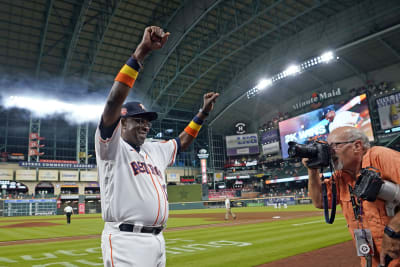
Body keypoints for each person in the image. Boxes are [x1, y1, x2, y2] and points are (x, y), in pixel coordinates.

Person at [95, 25, 219, 267]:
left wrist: (202, 113)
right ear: (122, 123)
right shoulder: (111, 148)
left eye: (148, 121)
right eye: (139, 121)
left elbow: (183, 141)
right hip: (125, 240)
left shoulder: (154, 149)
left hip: (157, 240)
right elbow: (113, 102)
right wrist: (142, 51)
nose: (145, 126)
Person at [304, 126, 400, 267]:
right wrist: (312, 170)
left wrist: (394, 230)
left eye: (333, 147)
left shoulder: (380, 156)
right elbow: (319, 202)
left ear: (357, 146)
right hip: (370, 259)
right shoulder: (341, 176)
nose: (329, 154)